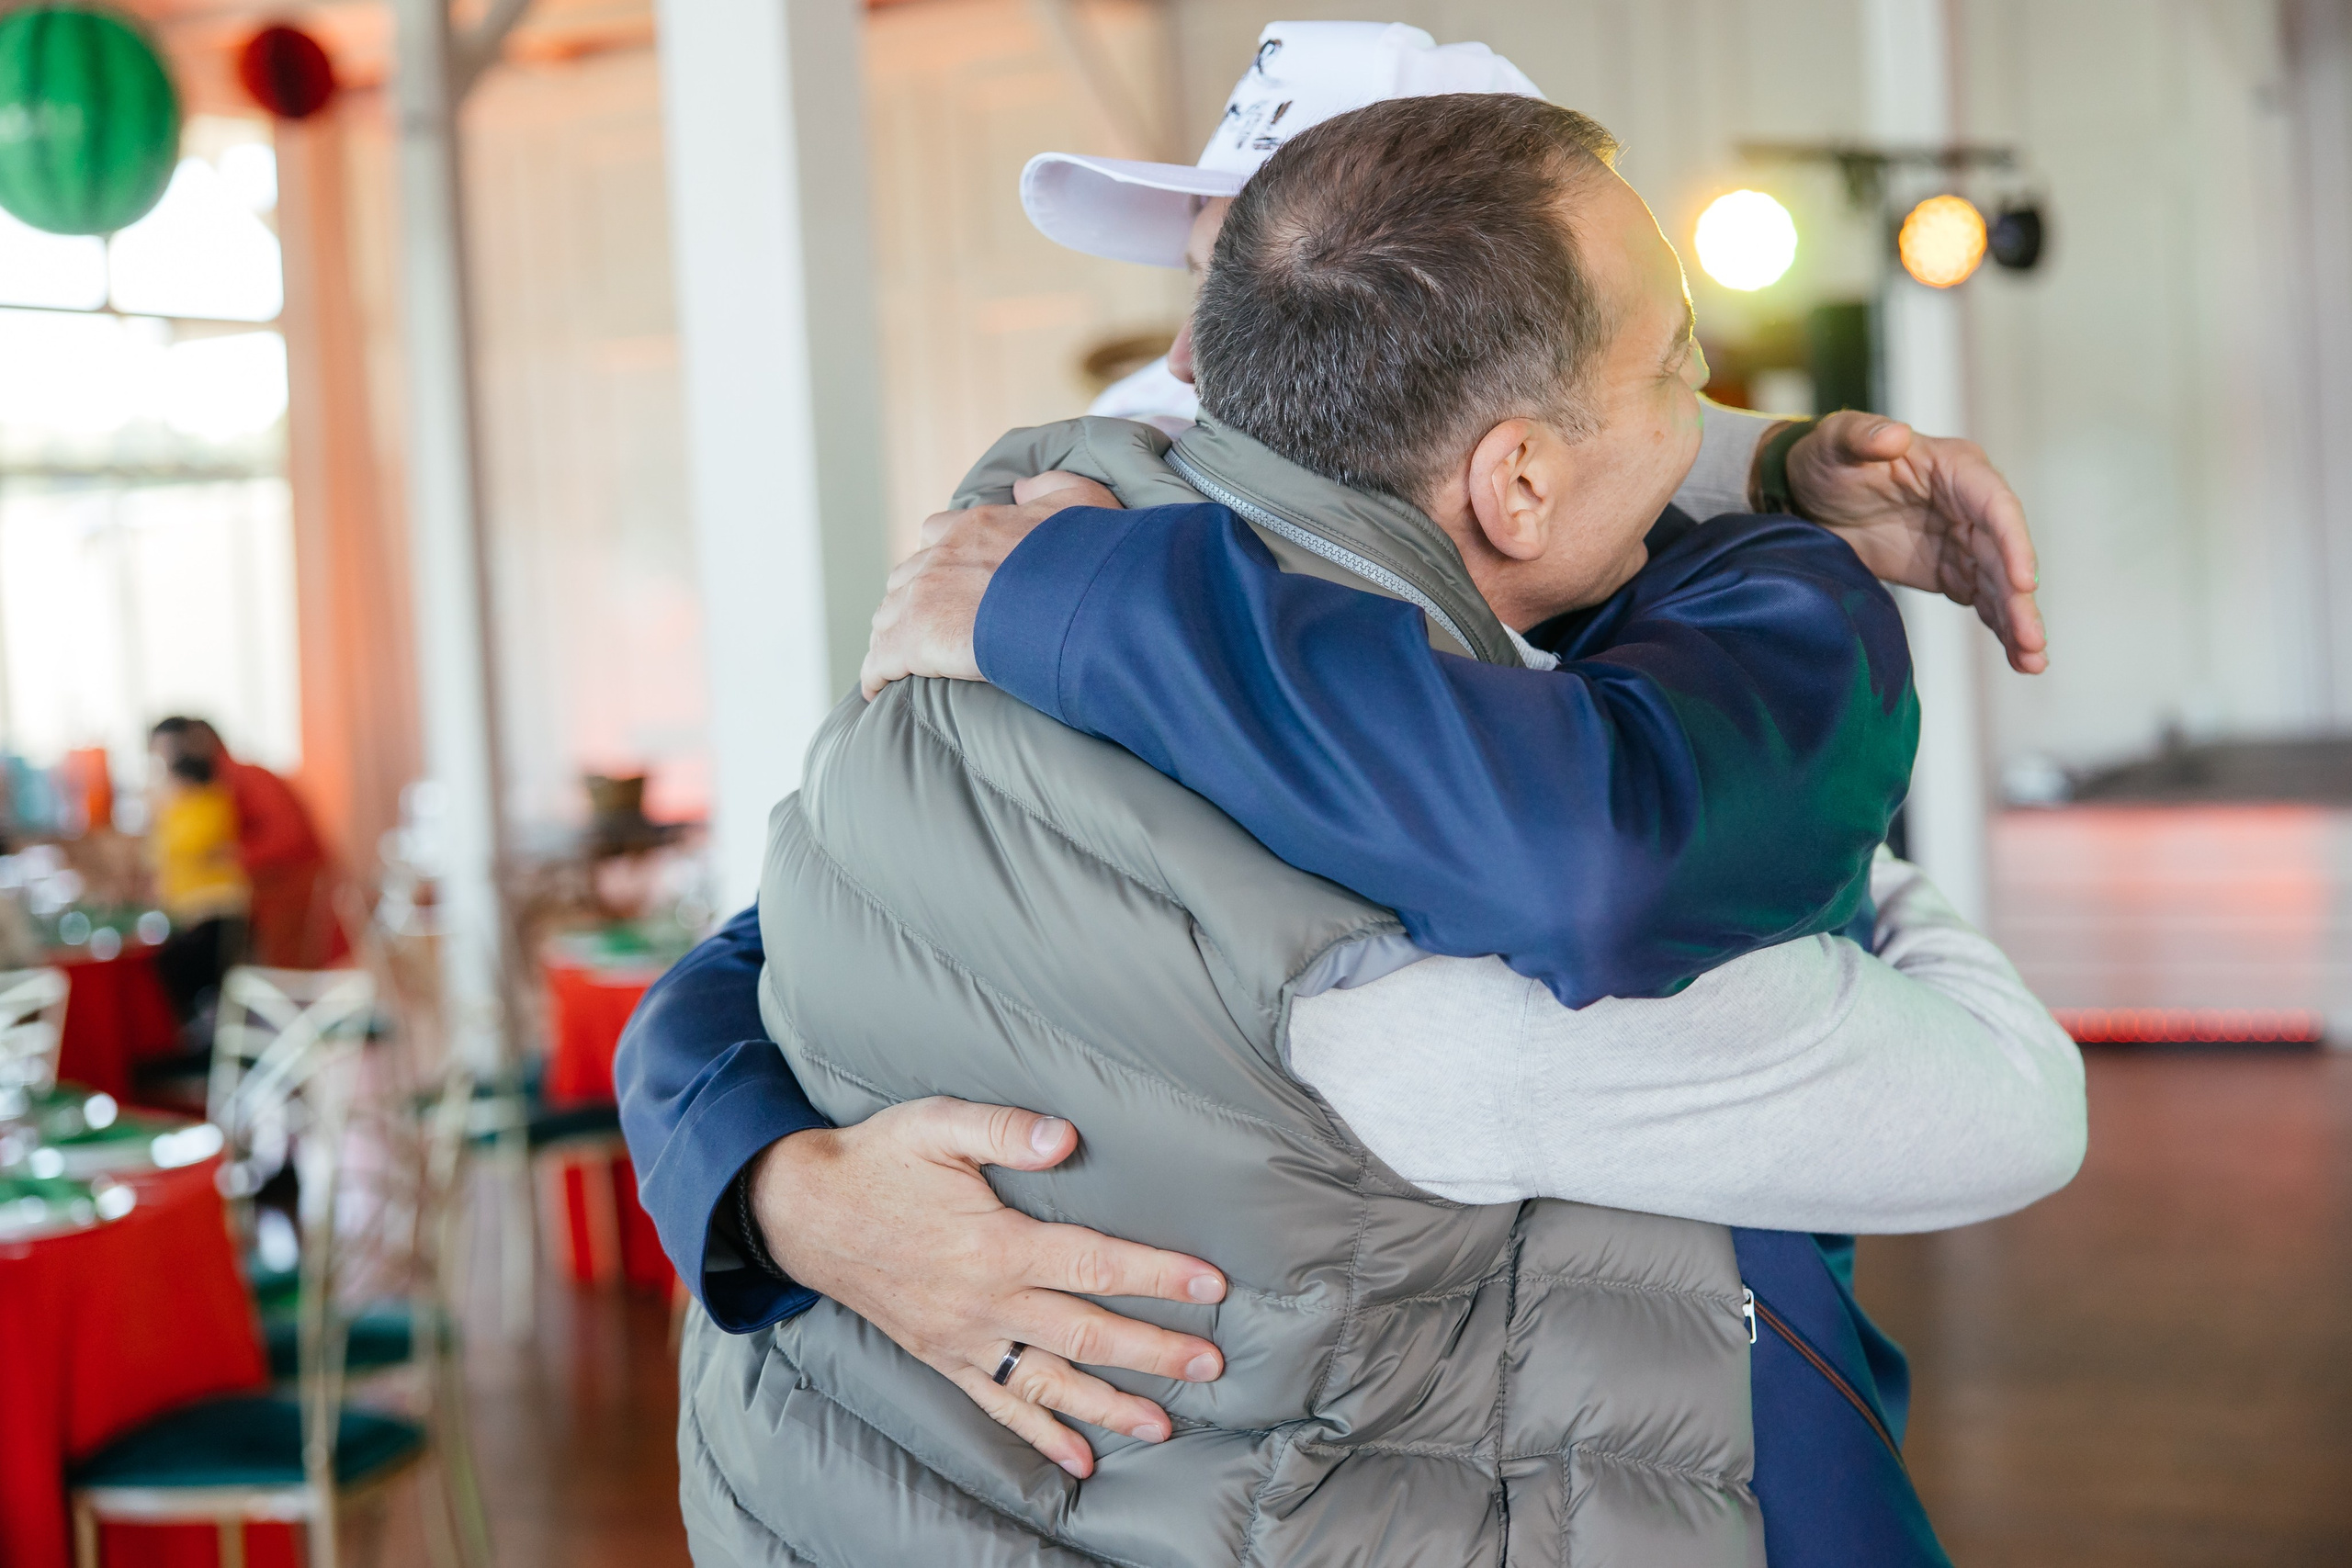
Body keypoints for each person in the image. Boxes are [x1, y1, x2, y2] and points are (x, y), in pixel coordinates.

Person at [660, 89, 2082, 1566]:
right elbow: (2009, 1105)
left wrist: (763, 1180)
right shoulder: (1433, 987)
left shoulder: (982, 579)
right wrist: (1848, 860)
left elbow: (766, 949)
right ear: (1517, 470)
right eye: (1678, 362)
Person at [149, 718, 346, 970]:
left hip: (290, 889)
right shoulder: (207, 791)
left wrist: (233, 856)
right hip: (259, 895)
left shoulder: (246, 778)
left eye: (168, 754)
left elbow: (290, 837)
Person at [146, 728, 250, 1021]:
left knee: (195, 973)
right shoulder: (177, 811)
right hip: (187, 910)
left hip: (215, 907)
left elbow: (190, 848)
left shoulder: (207, 806)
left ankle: (203, 1031)